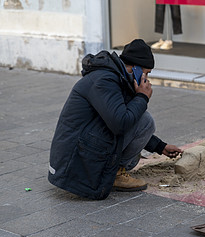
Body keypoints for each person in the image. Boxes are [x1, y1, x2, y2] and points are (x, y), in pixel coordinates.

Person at [48, 39, 182, 200]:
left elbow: (127, 123)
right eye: (145, 73)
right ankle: (116, 173)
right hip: (72, 164)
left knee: (135, 144)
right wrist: (141, 97)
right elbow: (121, 124)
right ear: (135, 69)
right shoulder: (105, 80)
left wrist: (160, 147)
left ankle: (115, 169)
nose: (146, 79)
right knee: (146, 120)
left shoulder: (116, 77)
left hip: (77, 152)